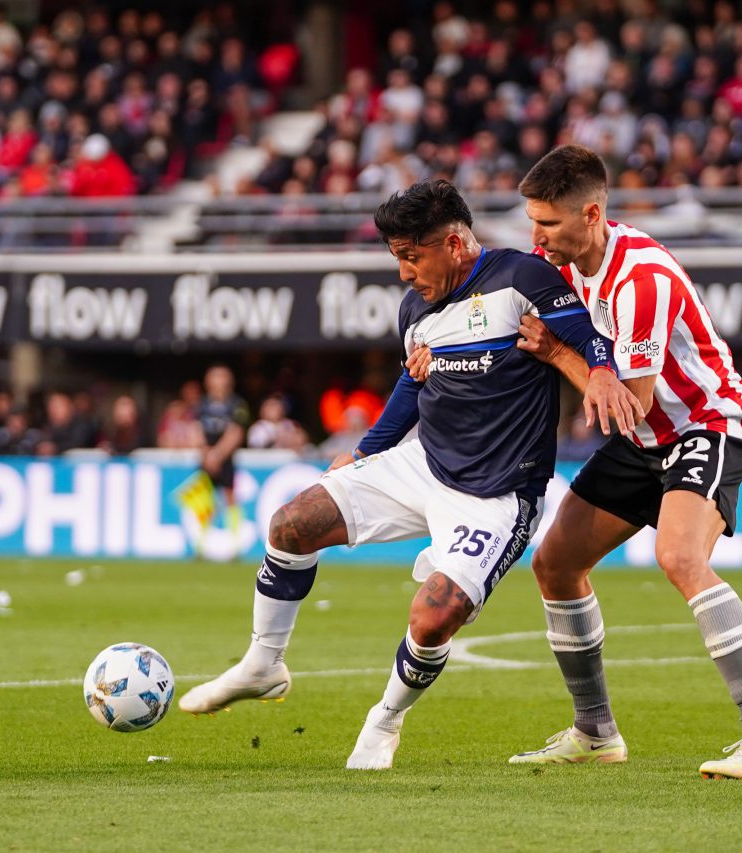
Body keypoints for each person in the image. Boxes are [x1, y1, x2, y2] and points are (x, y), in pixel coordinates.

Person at [178, 180, 641, 771]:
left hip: (498, 493)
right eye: (397, 257)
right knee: (292, 523)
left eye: (410, 256)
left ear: (453, 243)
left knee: (434, 615)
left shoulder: (523, 278)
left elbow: (591, 337)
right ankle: (263, 664)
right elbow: (411, 385)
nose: (403, 273)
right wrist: (364, 451)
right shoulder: (415, 308)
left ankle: (384, 721)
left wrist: (599, 373)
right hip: (423, 463)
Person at [511, 144, 742, 779]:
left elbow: (629, 405)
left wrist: (557, 354)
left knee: (680, 557)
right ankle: (595, 731)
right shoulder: (557, 264)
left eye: (548, 223)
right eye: (532, 220)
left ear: (591, 214)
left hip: (706, 425)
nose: (537, 236)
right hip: (644, 443)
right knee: (556, 564)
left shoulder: (641, 279)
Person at [195, 365, 251, 534]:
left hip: (226, 459)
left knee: (230, 496)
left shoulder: (237, 405)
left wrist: (217, 455)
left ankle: (235, 536)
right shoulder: (201, 404)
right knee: (203, 498)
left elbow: (236, 432)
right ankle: (201, 538)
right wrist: (205, 452)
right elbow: (196, 429)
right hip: (205, 458)